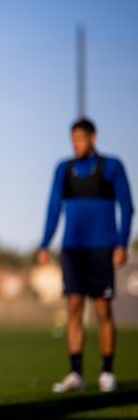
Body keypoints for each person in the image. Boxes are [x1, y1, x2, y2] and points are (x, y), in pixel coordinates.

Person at [38, 117, 133, 393]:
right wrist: (45, 243)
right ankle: (76, 373)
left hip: (102, 248)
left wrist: (121, 243)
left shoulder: (111, 167)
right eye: (72, 139)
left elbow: (127, 206)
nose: (75, 144)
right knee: (74, 308)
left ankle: (106, 371)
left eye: (80, 138)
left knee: (103, 309)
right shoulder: (64, 169)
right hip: (73, 249)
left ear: (93, 138)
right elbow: (54, 206)